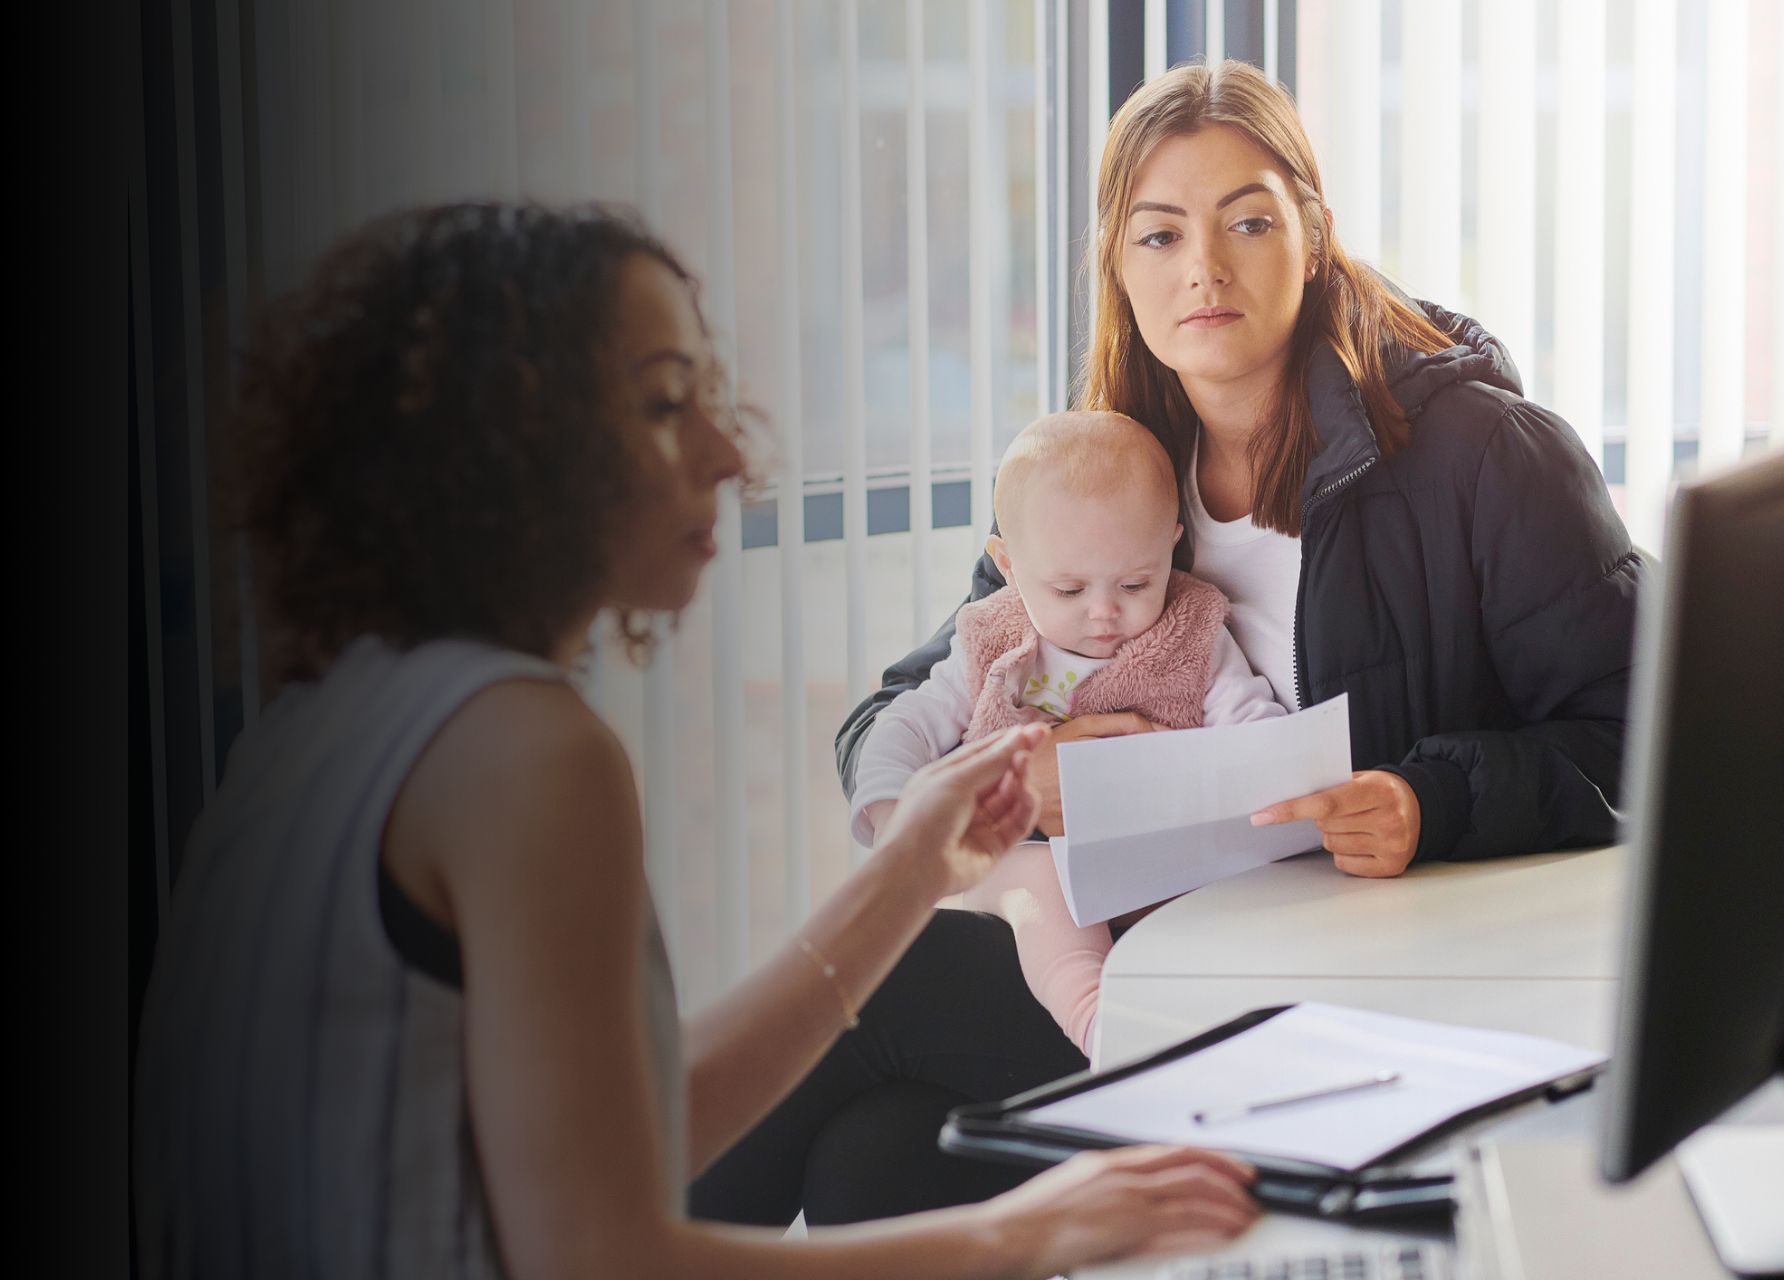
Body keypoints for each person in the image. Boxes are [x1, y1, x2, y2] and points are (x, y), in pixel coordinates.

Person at [132, 202, 1260, 1279]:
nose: (730, 451)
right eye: (668, 404)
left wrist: (917, 861)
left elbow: (625, 1122)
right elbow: (599, 1254)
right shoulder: (521, 753)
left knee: (885, 1147)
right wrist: (1015, 1232)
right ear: (514, 447)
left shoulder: (326, 723)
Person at [700, 60, 1640, 1227]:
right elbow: (913, 700)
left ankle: (581, 1242)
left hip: (1363, 991)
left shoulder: (1485, 459)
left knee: (887, 992)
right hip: (1161, 962)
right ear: (1117, 265)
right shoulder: (1112, 470)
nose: (1204, 266)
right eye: (1159, 235)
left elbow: (1645, 737)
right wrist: (1018, 781)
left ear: (1314, 234)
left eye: (1248, 219)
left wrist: (1426, 797)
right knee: (881, 1157)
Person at [849, 409, 1287, 1055]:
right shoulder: (992, 638)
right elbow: (902, 725)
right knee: (1042, 887)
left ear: (1171, 543)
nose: (1104, 612)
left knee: (1219, 906)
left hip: (1160, 863)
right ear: (1008, 563)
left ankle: (1197, 1021)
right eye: (1069, 588)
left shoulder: (1194, 632)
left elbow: (1252, 727)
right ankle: (1097, 1022)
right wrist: (895, 815)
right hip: (1025, 863)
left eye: (1136, 582)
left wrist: (1268, 783)